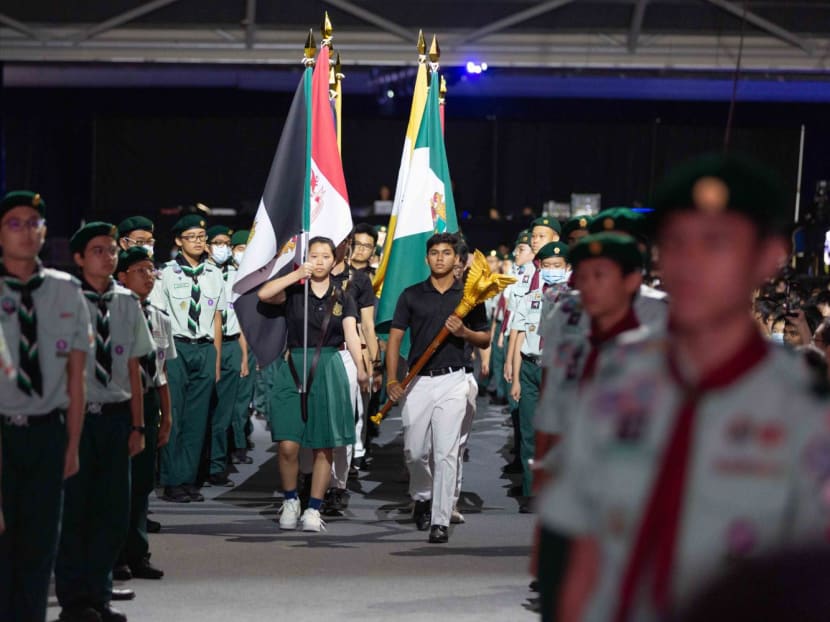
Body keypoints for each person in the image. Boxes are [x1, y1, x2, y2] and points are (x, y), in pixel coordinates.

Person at [546, 153, 830, 622]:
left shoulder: (804, 405)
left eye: (717, 243)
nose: (691, 263)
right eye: (677, 243)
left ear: (767, 259)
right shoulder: (617, 379)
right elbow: (579, 548)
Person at [534, 233, 647, 620]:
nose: (592, 284)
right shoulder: (566, 313)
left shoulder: (654, 320)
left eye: (604, 274)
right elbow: (553, 376)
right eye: (586, 274)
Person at [0, 191, 92, 622]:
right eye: (13, 223)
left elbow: (77, 376)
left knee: (39, 548)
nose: (25, 231)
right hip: (2, 432)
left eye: (33, 223)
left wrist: (72, 444)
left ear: (44, 232)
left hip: (47, 432)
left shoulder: (66, 290)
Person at [56, 221, 154, 622]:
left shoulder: (127, 303)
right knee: (75, 511)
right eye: (98, 250)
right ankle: (74, 602)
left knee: (112, 512)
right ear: (79, 258)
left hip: (115, 418)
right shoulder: (62, 301)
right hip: (75, 419)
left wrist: (138, 426)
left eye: (112, 250)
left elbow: (133, 368)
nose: (108, 256)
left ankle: (99, 596)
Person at [258, 236, 368, 532]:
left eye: (325, 256)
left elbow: (351, 333)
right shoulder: (295, 292)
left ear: (334, 261)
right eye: (314, 255)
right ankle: (291, 499)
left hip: (329, 365)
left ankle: (314, 508)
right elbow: (264, 294)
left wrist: (361, 369)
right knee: (287, 443)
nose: (319, 261)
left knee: (323, 444)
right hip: (293, 365)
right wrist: (296, 274)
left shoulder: (343, 296)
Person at [386, 232, 490, 544]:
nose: (440, 258)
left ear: (457, 259)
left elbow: (485, 338)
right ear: (426, 258)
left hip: (454, 380)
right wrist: (391, 379)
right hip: (417, 381)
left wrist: (465, 332)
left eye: (446, 252)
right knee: (415, 451)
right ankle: (422, 496)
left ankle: (440, 519)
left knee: (445, 452)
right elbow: (394, 339)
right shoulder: (411, 295)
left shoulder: (470, 295)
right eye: (434, 253)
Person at [149, 214, 226, 503]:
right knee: (174, 415)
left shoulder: (214, 274)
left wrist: (215, 359)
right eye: (191, 237)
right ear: (179, 241)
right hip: (176, 348)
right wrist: (160, 359)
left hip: (204, 348)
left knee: (197, 418)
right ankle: (170, 480)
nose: (197, 242)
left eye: (201, 237)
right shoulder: (166, 274)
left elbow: (217, 318)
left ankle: (188, 478)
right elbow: (159, 318)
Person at [114, 246, 174, 583]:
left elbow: (161, 371)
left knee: (141, 484)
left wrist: (167, 415)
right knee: (117, 483)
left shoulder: (159, 318)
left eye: (151, 270)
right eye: (140, 270)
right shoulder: (112, 314)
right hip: (119, 401)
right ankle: (115, 556)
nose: (148, 276)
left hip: (149, 401)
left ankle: (138, 553)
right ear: (122, 277)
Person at [510, 241, 571, 509]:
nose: (552, 270)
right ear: (540, 267)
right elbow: (519, 337)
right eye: (547, 266)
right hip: (530, 368)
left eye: (557, 266)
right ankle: (532, 490)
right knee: (530, 432)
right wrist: (515, 378)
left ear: (567, 268)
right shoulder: (530, 298)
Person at [205, 225, 249, 487]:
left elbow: (240, 319)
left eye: (226, 243)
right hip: (206, 345)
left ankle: (217, 465)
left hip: (232, 344)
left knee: (224, 413)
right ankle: (198, 464)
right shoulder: (202, 273)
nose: (223, 248)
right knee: (201, 410)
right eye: (217, 243)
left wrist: (243, 356)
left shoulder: (237, 276)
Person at [229, 230, 256, 466]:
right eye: (240, 248)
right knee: (236, 401)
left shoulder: (258, 276)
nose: (244, 253)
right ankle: (236, 444)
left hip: (253, 342)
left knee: (245, 399)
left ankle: (241, 438)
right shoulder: (228, 276)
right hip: (236, 342)